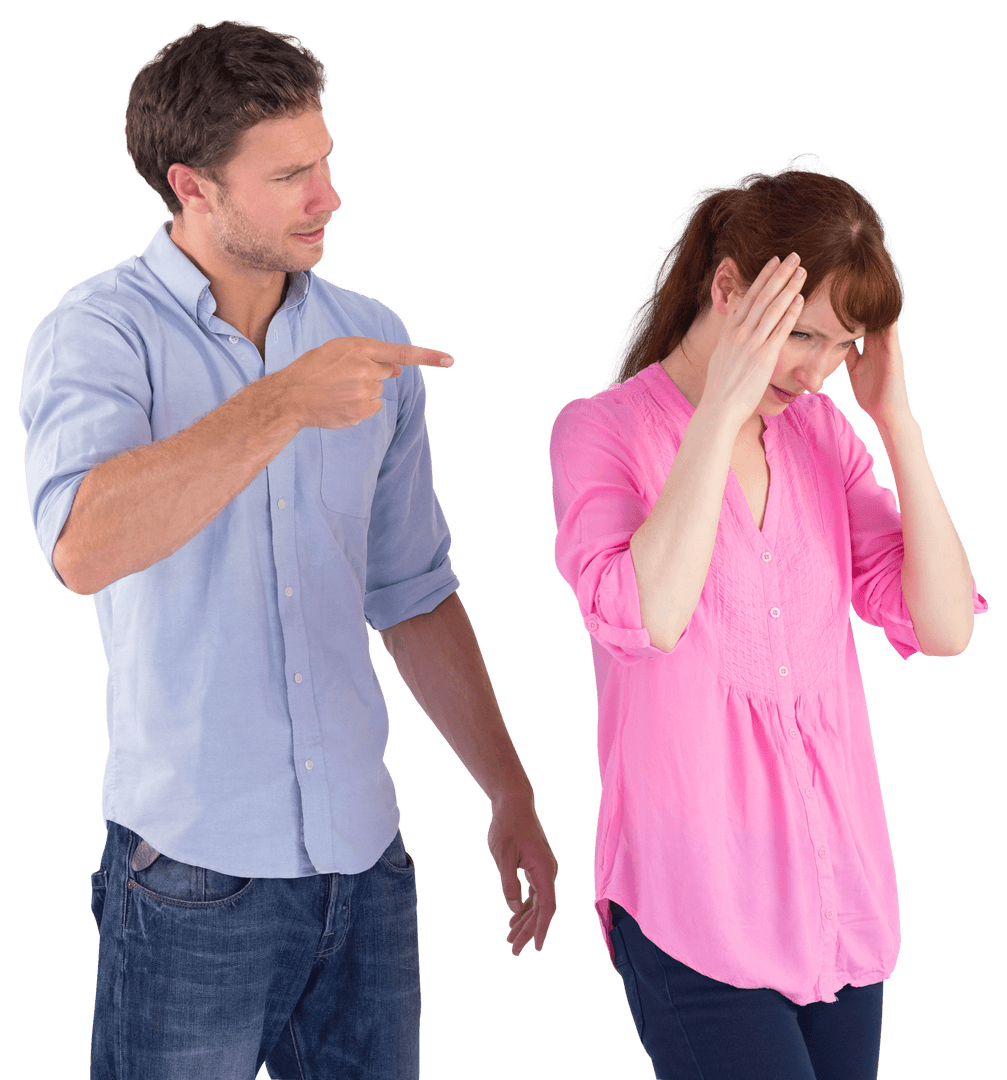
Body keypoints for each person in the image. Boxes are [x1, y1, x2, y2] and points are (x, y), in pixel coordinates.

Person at [19, 19, 557, 1080]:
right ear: (194, 187)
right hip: (190, 877)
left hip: (366, 874)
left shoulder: (369, 339)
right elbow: (82, 545)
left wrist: (507, 789)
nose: (329, 197)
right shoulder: (96, 334)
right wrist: (277, 405)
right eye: (291, 175)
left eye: (327, 162)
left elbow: (412, 594)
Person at [549, 153, 986, 1080]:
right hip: (693, 908)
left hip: (837, 899)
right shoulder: (600, 432)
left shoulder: (822, 435)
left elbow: (945, 626)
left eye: (846, 345)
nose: (822, 371)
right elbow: (648, 614)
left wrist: (896, 425)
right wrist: (720, 409)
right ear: (728, 288)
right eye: (805, 336)